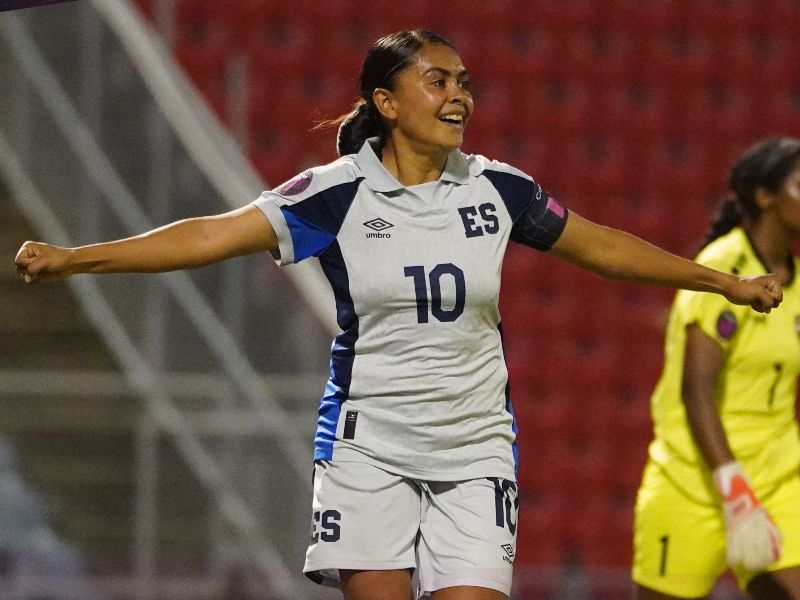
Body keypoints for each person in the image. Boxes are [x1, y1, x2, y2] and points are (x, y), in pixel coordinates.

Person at [15, 30, 783, 600]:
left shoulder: (497, 188)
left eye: (464, 81)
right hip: (369, 447)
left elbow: (602, 247)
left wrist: (718, 279)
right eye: (437, 80)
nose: (460, 95)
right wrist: (78, 257)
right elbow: (211, 235)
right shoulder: (335, 192)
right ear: (386, 103)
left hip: (475, 449)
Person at [632, 137, 800, 600]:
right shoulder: (726, 270)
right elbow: (695, 390)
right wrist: (733, 486)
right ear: (765, 196)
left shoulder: (798, 279)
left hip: (779, 479)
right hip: (697, 482)